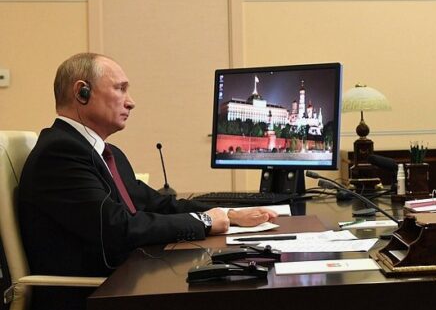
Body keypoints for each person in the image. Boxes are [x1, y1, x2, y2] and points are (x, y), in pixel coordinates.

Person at [18, 53, 278, 310]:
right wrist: (206, 221)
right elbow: (117, 228)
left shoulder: (107, 153)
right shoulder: (60, 153)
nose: (131, 102)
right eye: (120, 89)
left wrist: (229, 214)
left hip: (124, 280)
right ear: (81, 92)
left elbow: (157, 204)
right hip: (92, 295)